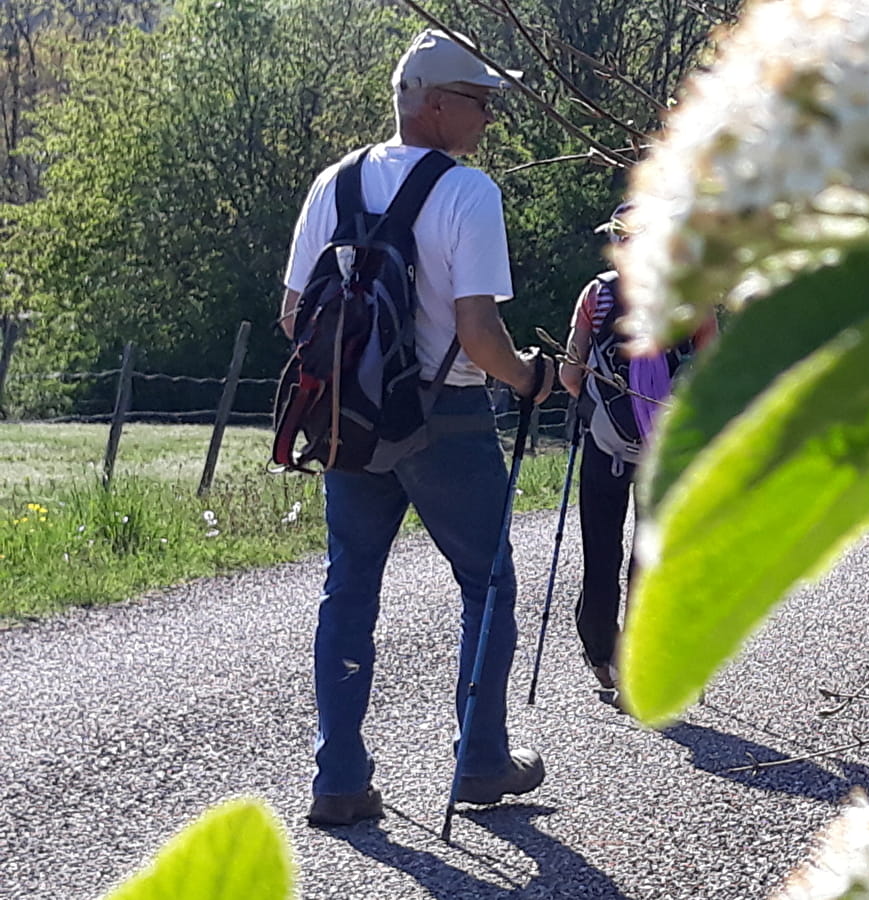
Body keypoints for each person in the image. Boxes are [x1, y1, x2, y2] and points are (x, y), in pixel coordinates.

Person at [279, 28, 556, 827]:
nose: (490, 117)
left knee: (349, 585)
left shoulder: (333, 182)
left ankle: (339, 777)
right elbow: (476, 334)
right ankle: (481, 761)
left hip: (348, 422)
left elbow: (295, 313)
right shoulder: (468, 192)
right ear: (434, 104)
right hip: (448, 420)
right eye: (480, 101)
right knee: (489, 582)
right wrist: (531, 377)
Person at [559, 205, 717, 693]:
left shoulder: (596, 295)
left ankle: (601, 651)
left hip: (605, 446)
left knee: (600, 552)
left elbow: (569, 373)